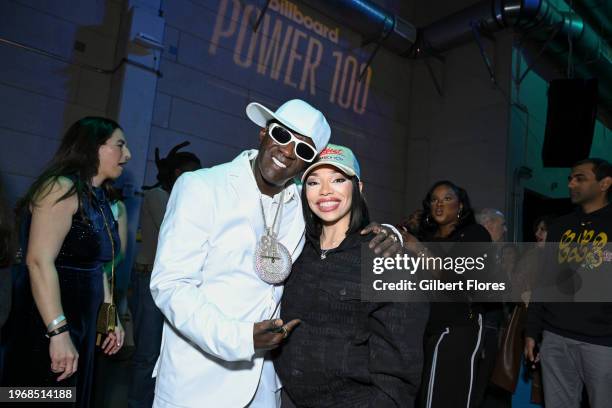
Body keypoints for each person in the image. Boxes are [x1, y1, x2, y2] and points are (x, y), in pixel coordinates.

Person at [149, 99, 401, 408]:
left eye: (303, 150)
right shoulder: (202, 187)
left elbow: (341, 216)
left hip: (265, 385)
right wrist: (241, 338)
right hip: (199, 381)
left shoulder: (300, 203)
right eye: (282, 135)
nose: (287, 151)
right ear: (264, 133)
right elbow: (171, 285)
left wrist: (391, 232)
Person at [275, 144, 428, 407]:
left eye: (337, 179)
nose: (325, 191)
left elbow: (398, 378)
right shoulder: (296, 250)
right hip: (287, 398)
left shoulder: (388, 260)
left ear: (358, 189)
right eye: (313, 182)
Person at [1, 117, 130, 407]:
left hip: (81, 324)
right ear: (92, 147)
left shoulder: (99, 198)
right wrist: (57, 332)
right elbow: (38, 261)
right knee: (39, 396)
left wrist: (110, 317)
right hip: (48, 320)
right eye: (120, 145)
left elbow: (101, 266)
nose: (128, 155)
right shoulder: (60, 188)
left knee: (69, 396)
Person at [525, 158, 612, 408]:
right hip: (555, 336)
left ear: (605, 183)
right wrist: (531, 330)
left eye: (580, 178)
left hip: (602, 342)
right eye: (570, 178)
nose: (571, 183)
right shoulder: (561, 227)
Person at [400, 180, 492, 408]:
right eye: (434, 200)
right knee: (424, 396)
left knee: (447, 397)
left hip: (459, 327)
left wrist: (419, 250)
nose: (439, 205)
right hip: (424, 327)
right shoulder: (427, 237)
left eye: (447, 199)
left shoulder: (474, 235)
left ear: (460, 205)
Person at [128, 143, 201, 408]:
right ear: (178, 172)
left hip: (173, 283)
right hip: (149, 281)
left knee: (165, 353)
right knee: (147, 354)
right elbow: (178, 232)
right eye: (192, 172)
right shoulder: (157, 196)